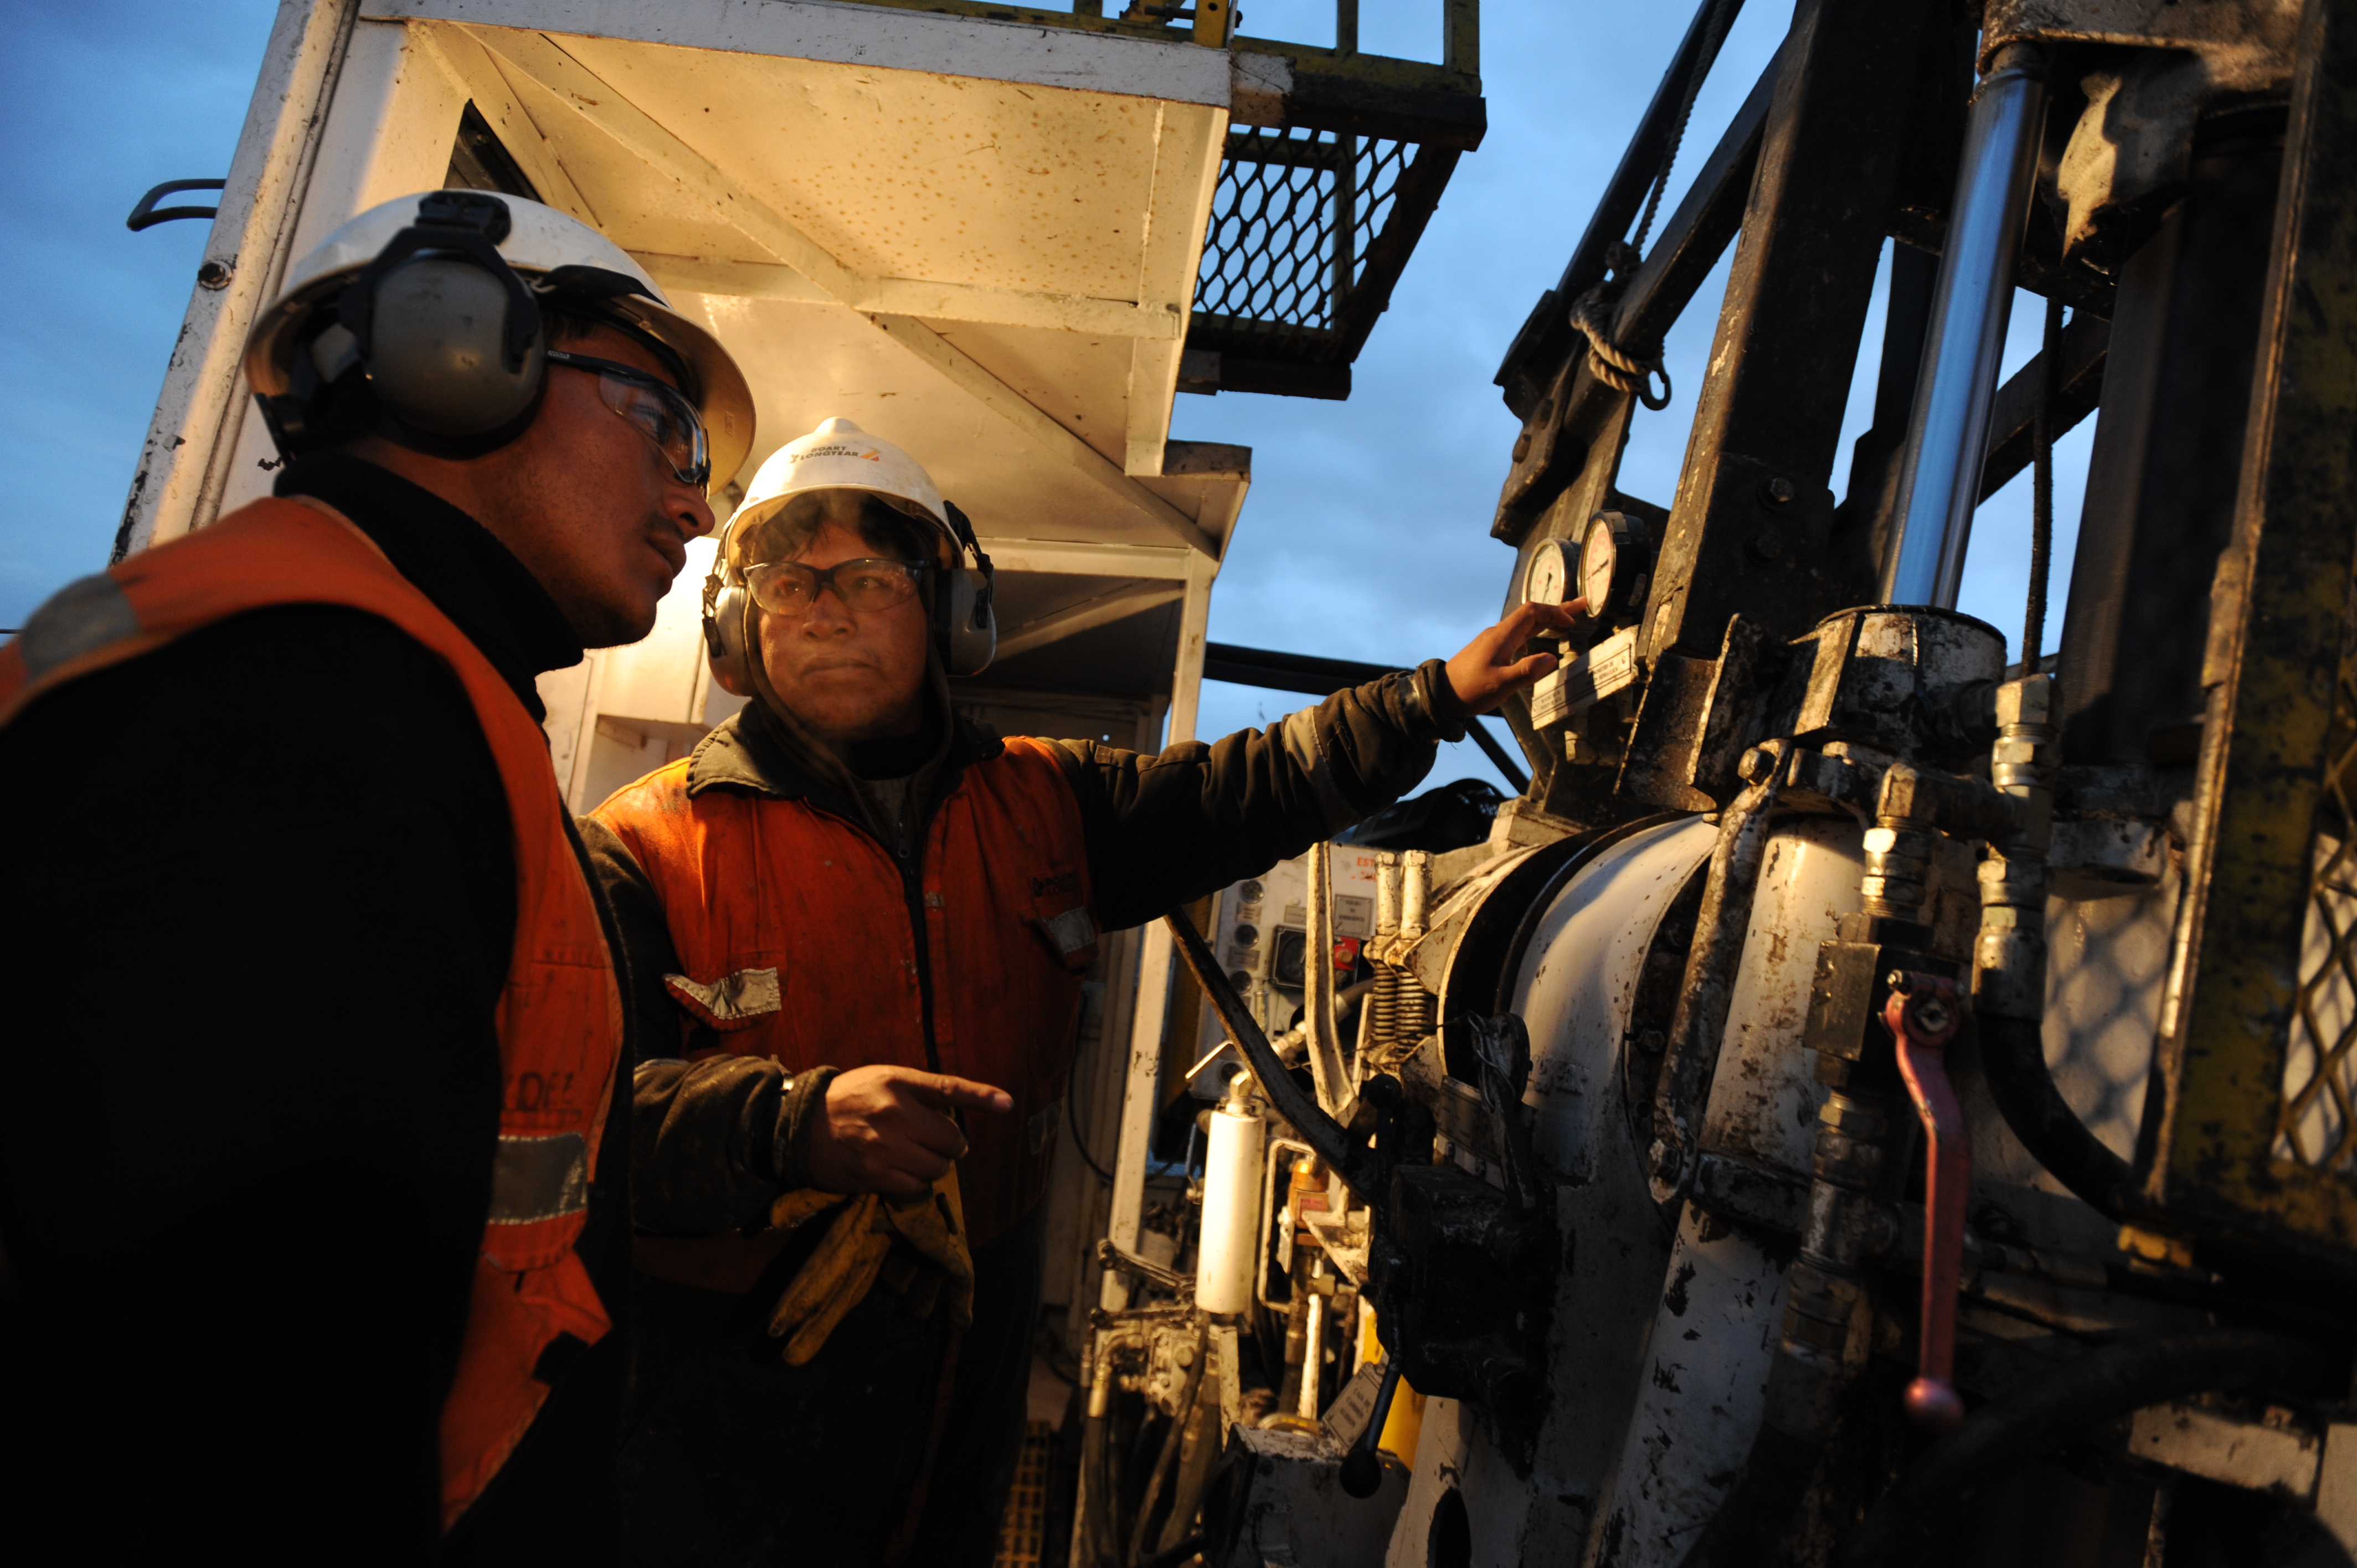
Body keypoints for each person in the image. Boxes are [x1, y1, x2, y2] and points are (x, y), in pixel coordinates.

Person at [585, 416, 1578, 1566]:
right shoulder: (641, 845)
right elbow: (576, 1125)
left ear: (948, 615)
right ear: (735, 624)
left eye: (869, 576)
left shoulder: (1046, 804)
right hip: (719, 1414)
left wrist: (1437, 697)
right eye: (788, 579)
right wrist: (788, 1126)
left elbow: (1247, 790)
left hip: (964, 1377)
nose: (827, 606)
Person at [0, 189, 752, 1562]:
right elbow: (230, 1399)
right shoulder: (298, 703)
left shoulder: (404, 685)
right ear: (460, 351)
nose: (694, 501)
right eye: (660, 421)